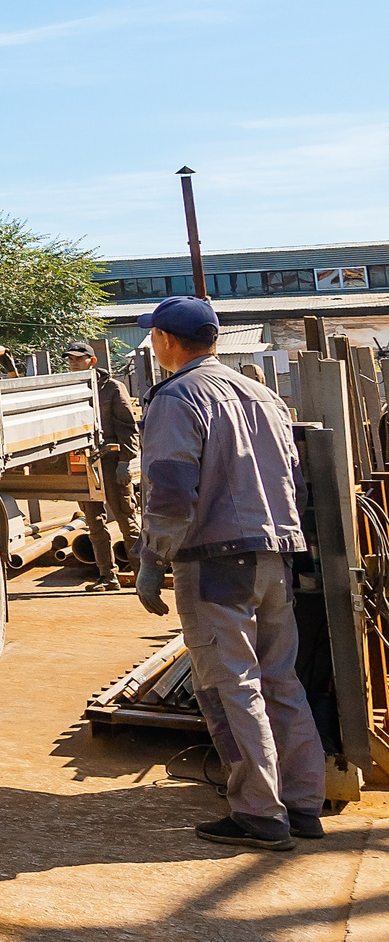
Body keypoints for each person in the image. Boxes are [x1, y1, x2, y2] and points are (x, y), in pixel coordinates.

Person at [133, 295, 327, 850]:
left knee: (230, 688)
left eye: (153, 336)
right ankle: (303, 804)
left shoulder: (177, 398)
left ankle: (260, 815)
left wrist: (152, 562)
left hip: (216, 563)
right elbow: (297, 480)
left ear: (167, 341)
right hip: (275, 558)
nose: (152, 344)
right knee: (280, 681)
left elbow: (170, 492)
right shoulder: (262, 394)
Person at [63, 340, 142, 569]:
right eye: (71, 359)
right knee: (93, 522)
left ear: (92, 361)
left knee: (125, 519)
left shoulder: (112, 388)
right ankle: (107, 575)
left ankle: (141, 574)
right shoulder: (69, 390)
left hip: (110, 461)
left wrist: (125, 462)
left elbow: (128, 427)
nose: (74, 363)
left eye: (79, 359)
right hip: (83, 464)